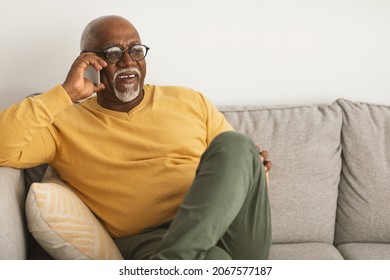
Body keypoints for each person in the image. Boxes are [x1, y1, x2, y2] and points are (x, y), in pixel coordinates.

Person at [0, 15, 272, 260]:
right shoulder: (63, 123)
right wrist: (65, 94)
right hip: (151, 239)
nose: (129, 62)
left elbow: (238, 173)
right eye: (114, 53)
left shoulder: (189, 100)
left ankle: (172, 264)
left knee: (238, 144)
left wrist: (253, 167)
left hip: (229, 227)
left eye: (136, 51)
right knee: (214, 263)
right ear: (90, 63)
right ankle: (180, 259)